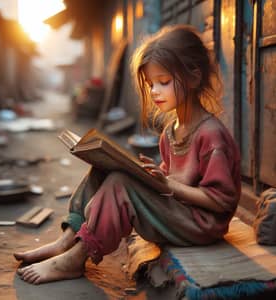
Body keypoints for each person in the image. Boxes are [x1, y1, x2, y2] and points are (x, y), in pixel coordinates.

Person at [14, 24, 241, 285]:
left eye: (164, 82)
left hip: (201, 225)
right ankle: (67, 239)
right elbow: (173, 179)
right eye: (151, 83)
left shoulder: (211, 135)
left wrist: (166, 185)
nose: (154, 91)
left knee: (121, 184)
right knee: (107, 169)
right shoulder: (170, 131)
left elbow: (221, 201)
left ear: (193, 78)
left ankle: (76, 258)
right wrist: (153, 176)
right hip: (179, 212)